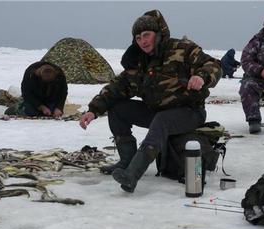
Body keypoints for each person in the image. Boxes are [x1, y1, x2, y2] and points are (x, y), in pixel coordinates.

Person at [79, 10, 222, 193]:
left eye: (146, 35)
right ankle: (127, 161)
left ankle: (132, 174)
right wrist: (93, 110)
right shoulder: (138, 63)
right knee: (117, 108)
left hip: (190, 112)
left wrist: (202, 77)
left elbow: (213, 65)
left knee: (161, 120)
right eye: (138, 38)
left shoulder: (181, 49)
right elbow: (116, 88)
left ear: (158, 33)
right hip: (156, 112)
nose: (143, 41)